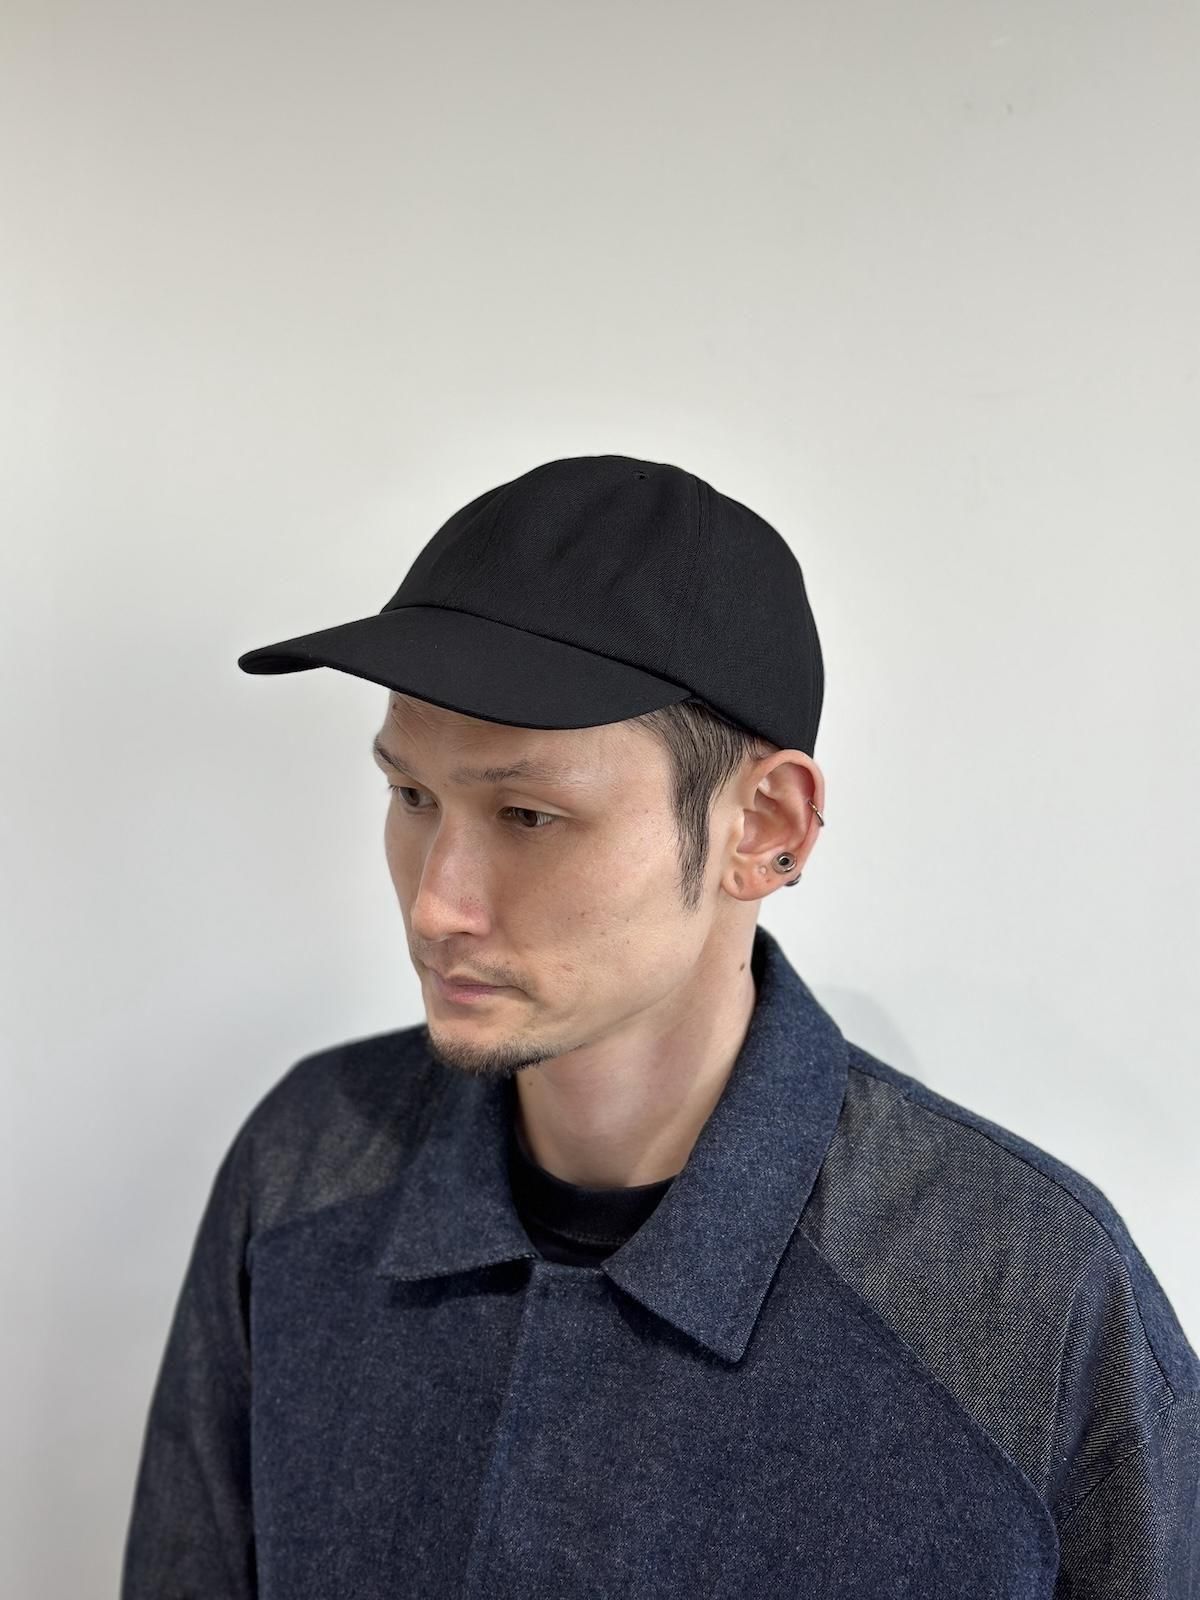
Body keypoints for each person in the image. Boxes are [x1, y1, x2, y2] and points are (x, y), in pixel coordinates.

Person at [121, 453, 1199, 1598]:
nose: (437, 904)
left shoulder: (1027, 1299)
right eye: (413, 795)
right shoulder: (305, 1170)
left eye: (528, 814)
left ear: (765, 827)